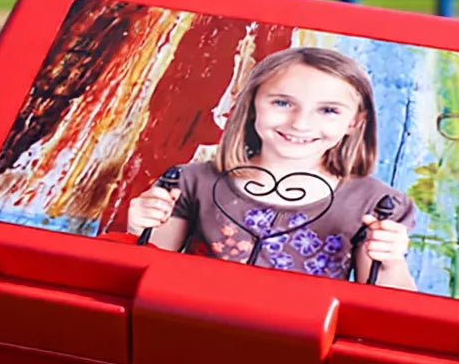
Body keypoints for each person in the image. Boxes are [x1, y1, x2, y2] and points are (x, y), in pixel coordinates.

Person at [127, 46, 417, 290]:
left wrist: (391, 260)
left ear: (354, 122)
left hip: (300, 345)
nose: (300, 123)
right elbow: (149, 269)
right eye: (282, 103)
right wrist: (139, 229)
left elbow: (390, 305)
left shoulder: (374, 205)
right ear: (253, 105)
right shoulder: (191, 181)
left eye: (328, 110)